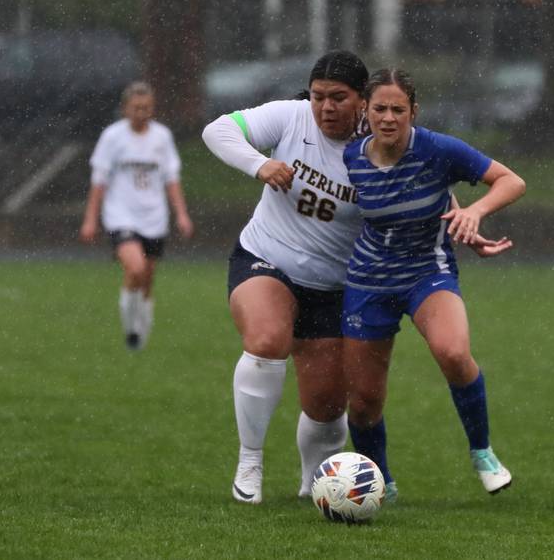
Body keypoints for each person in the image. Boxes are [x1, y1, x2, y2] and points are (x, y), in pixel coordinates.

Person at [202, 50, 511, 505]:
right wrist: (259, 163)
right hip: (267, 258)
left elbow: (421, 187)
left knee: (329, 406)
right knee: (267, 339)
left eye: (338, 98)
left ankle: (314, 486)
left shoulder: (376, 144)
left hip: (338, 284)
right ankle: (250, 462)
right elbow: (218, 130)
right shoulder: (291, 118)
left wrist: (462, 224)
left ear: (361, 102)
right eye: (318, 97)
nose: (325, 107)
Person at [341, 68, 526, 495]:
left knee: (453, 352)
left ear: (413, 111)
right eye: (380, 108)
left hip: (428, 271)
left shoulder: (439, 148)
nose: (389, 117)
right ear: (366, 111)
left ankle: (482, 451)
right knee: (365, 402)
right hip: (368, 279)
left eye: (398, 109)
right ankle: (380, 482)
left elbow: (511, 181)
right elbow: (422, 193)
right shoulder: (352, 157)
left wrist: (473, 214)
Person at [79, 81, 193, 350]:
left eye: (146, 108)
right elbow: (99, 181)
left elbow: (171, 178)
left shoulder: (162, 137)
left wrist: (182, 214)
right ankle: (131, 329)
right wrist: (90, 219)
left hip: (154, 217)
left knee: (147, 279)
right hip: (121, 216)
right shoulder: (112, 137)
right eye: (136, 107)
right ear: (125, 109)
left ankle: (141, 332)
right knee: (135, 268)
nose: (141, 112)